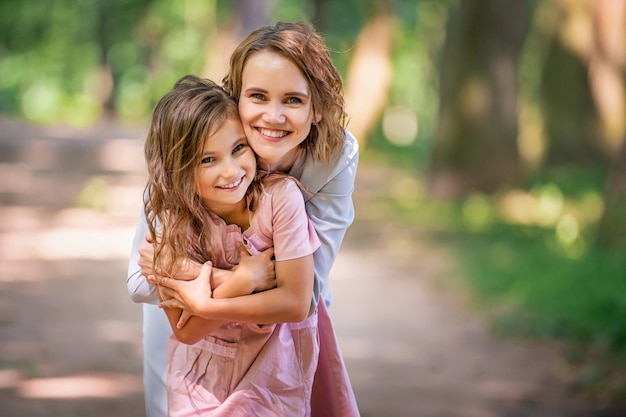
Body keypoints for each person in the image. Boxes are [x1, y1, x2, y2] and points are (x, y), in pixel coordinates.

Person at [127, 21, 359, 416]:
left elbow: (304, 292)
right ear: (235, 97)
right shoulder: (187, 158)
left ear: (317, 107)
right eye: (257, 96)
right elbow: (139, 282)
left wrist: (203, 282)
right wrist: (239, 279)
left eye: (293, 100)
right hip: (192, 337)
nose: (273, 116)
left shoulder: (331, 160)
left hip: (269, 331)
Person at [143, 74, 321, 416]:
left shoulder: (280, 199)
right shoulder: (173, 225)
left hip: (272, 373)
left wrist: (207, 305)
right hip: (198, 379)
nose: (231, 171)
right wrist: (243, 282)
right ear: (178, 170)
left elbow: (296, 303)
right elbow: (187, 333)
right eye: (207, 160)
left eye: (238, 148)